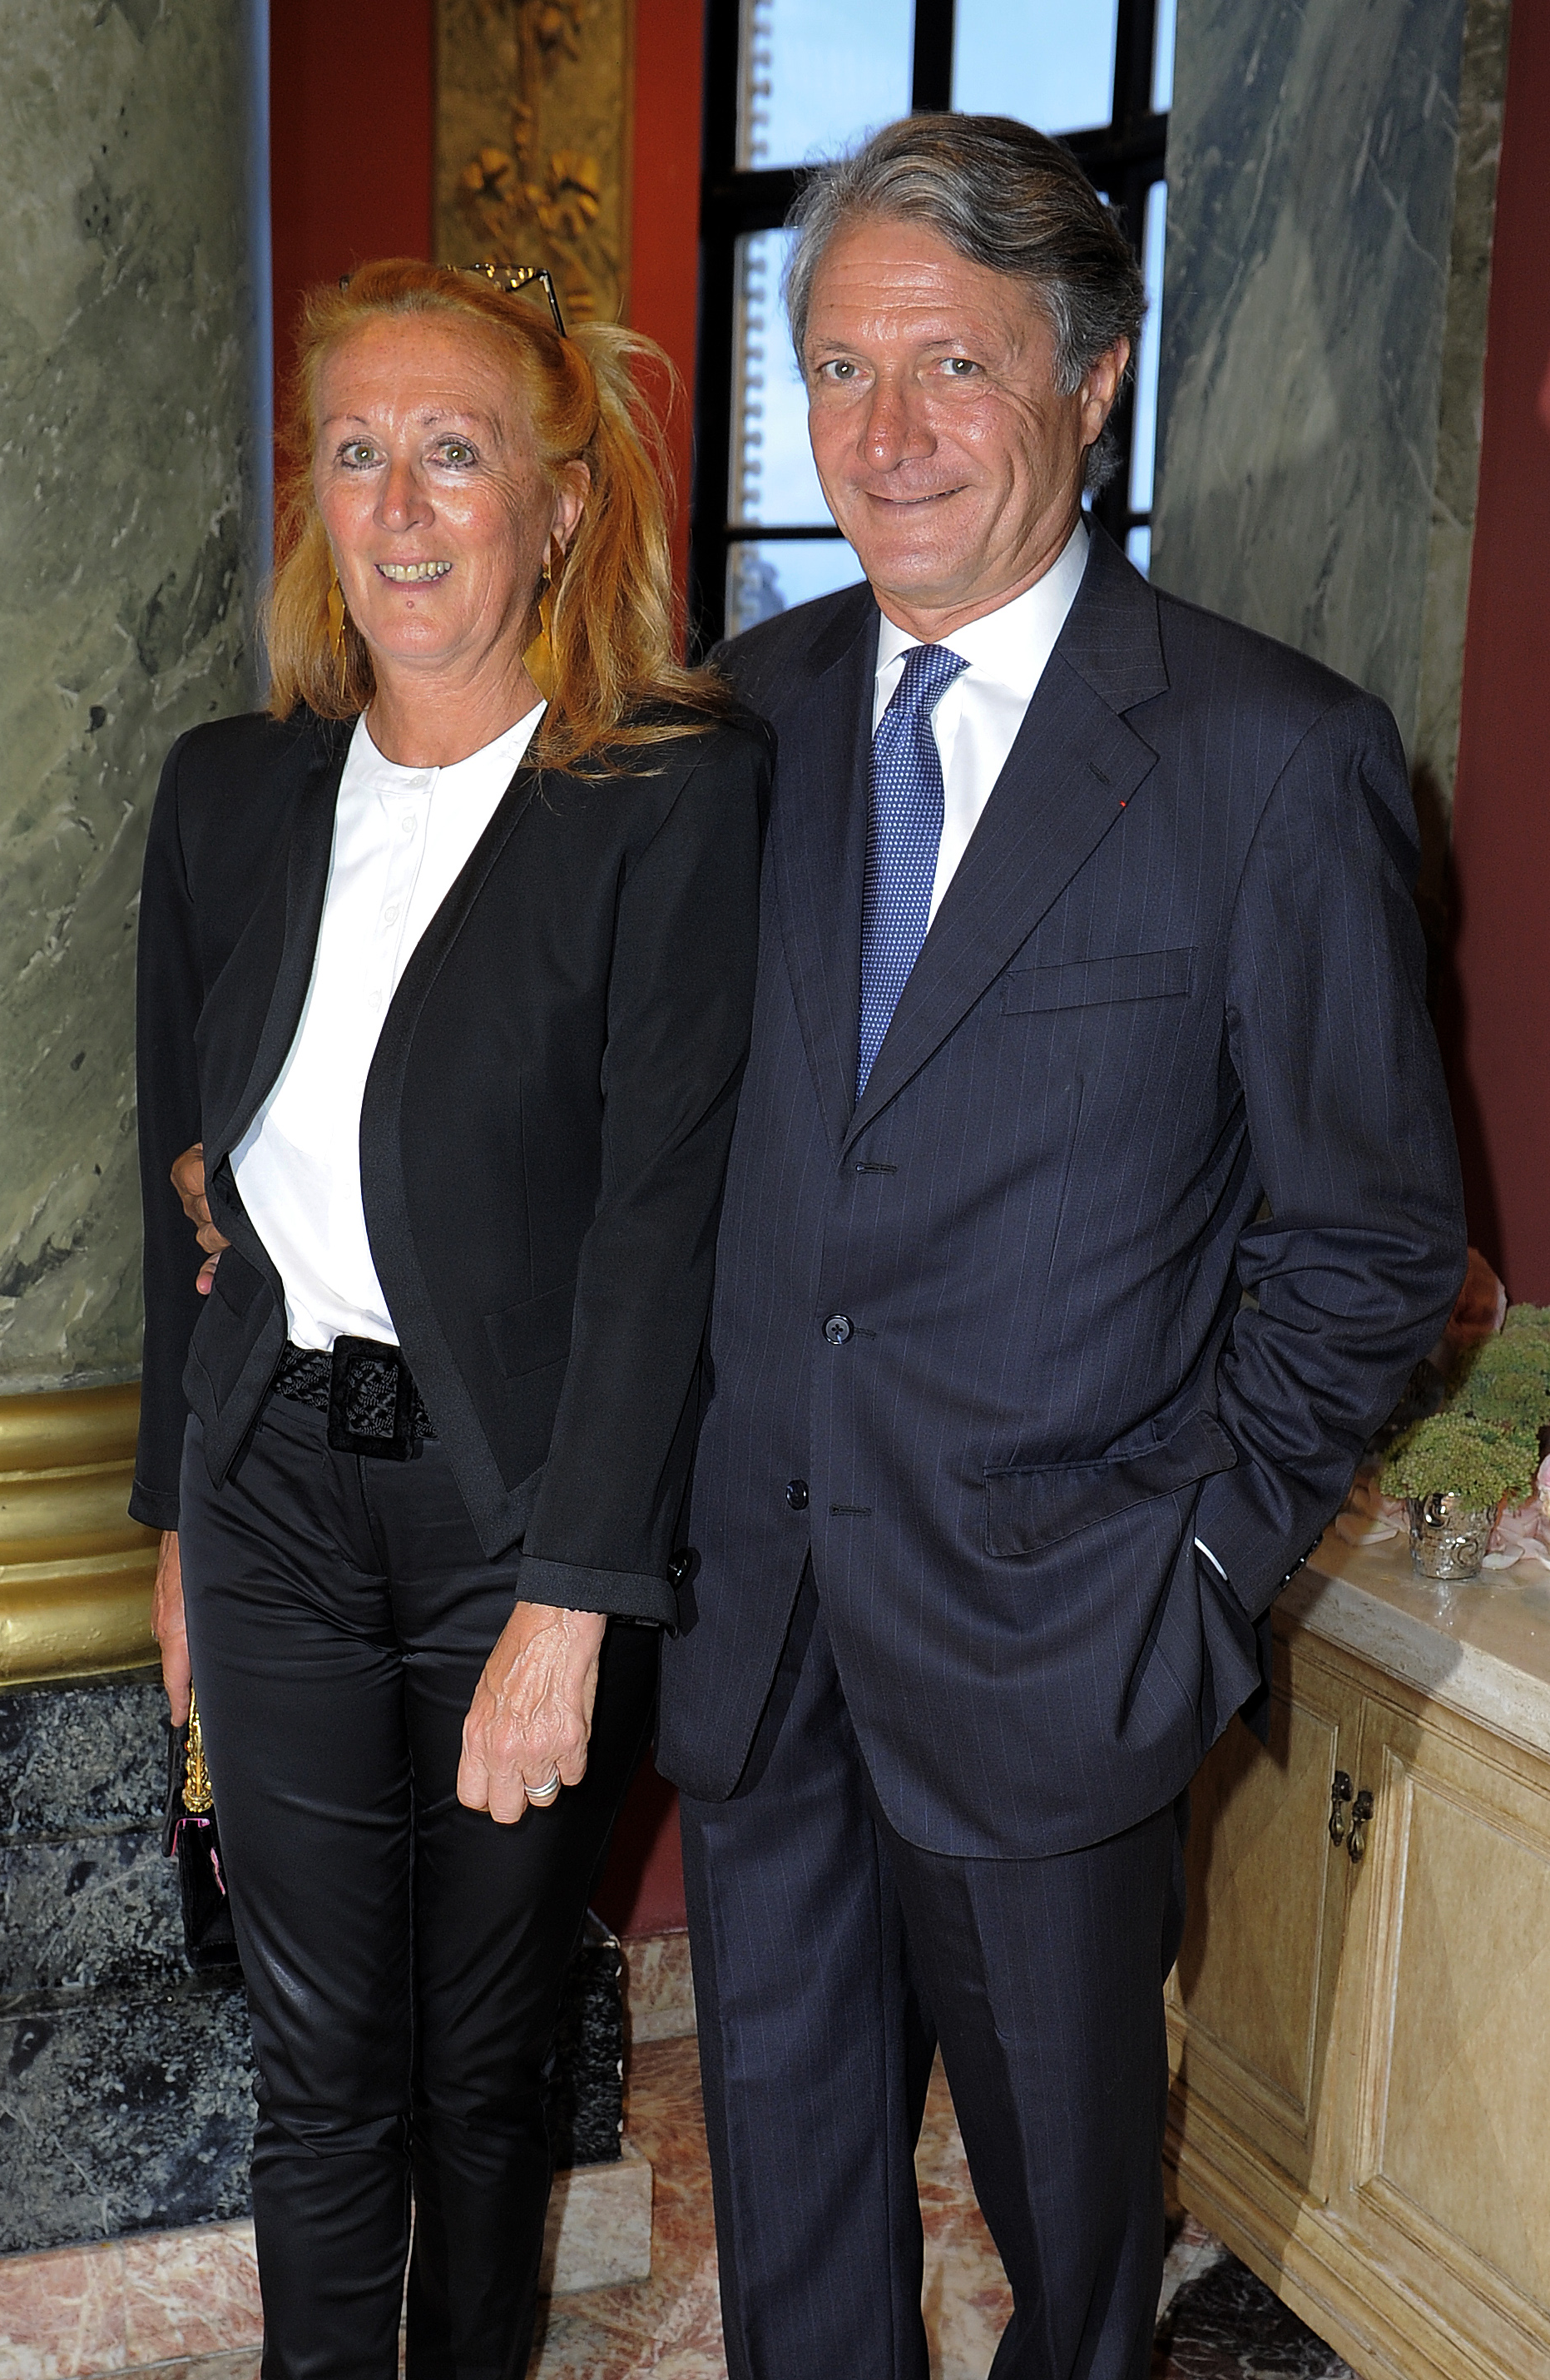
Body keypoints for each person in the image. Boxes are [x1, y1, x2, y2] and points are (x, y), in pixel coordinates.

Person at [652, 116, 1468, 2380]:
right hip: (757, 1623)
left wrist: (1190, 1572)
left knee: (1072, 2262)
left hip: (1058, 1641)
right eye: (837, 369)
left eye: (952, 365)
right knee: (799, 2260)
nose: (882, 433)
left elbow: (1370, 1240)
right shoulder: (734, 721)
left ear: (1093, 379)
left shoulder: (1270, 759)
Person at [131, 257, 767, 2380]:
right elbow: (169, 1174)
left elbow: (661, 1226)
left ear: (560, 503)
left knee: (482, 2062)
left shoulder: (666, 796)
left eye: (454, 452)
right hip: (275, 1495)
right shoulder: (229, 791)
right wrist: (173, 1525)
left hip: (521, 1517)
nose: (398, 507)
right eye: (355, 452)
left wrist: (575, 1601)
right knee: (317, 2064)